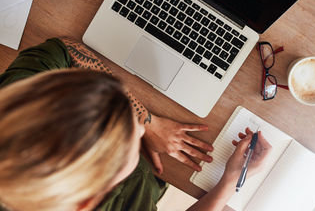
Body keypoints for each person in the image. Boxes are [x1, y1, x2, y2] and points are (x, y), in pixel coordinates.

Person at [0, 38, 272, 211]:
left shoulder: (15, 103)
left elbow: (65, 49)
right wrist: (230, 182)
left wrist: (149, 122)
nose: (141, 128)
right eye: (131, 141)